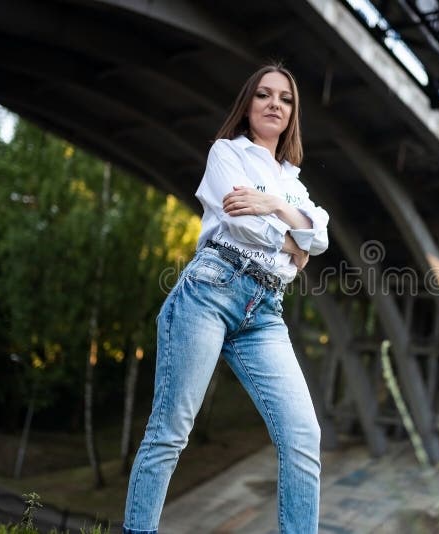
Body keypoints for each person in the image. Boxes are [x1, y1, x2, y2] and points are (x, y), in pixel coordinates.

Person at [123, 63, 329, 534]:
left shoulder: (293, 183)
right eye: (264, 95)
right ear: (248, 104)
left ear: (292, 114)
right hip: (210, 292)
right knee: (171, 432)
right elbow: (241, 223)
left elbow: (320, 238)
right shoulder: (227, 152)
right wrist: (293, 239)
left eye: (286, 99)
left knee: (303, 435)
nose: (275, 104)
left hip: (266, 311)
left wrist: (275, 205)